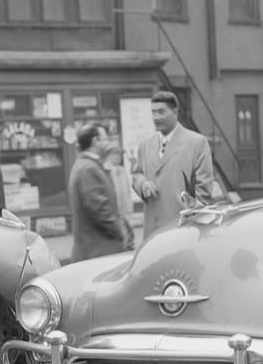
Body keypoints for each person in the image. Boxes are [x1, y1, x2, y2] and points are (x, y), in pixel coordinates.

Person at [130, 90, 215, 241]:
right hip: (152, 233)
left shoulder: (196, 143)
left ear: (175, 112)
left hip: (183, 231)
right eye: (153, 112)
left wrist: (192, 222)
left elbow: (203, 190)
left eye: (161, 112)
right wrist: (143, 185)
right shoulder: (145, 145)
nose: (156, 117)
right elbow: (137, 174)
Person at [68, 123, 134, 261]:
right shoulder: (88, 169)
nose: (109, 143)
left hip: (97, 251)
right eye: (105, 138)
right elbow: (99, 210)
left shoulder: (88, 166)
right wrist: (121, 231)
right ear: (95, 141)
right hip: (97, 252)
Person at [104, 141, 137, 232]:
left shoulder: (122, 170)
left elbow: (127, 192)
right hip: (112, 217)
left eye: (119, 154)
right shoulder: (105, 170)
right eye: (115, 154)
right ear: (108, 155)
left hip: (126, 216)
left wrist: (130, 211)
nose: (118, 157)